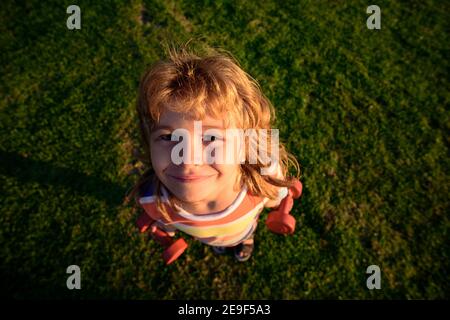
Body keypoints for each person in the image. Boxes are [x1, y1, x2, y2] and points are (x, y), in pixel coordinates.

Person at [126, 44, 301, 262]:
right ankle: (218, 244)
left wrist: (278, 196)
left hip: (243, 226)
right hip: (205, 236)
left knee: (244, 232)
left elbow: (277, 196)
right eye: (168, 137)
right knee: (213, 239)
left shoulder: (260, 181)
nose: (187, 159)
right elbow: (162, 223)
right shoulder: (152, 199)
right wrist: (163, 231)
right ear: (148, 142)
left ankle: (245, 241)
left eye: (210, 138)